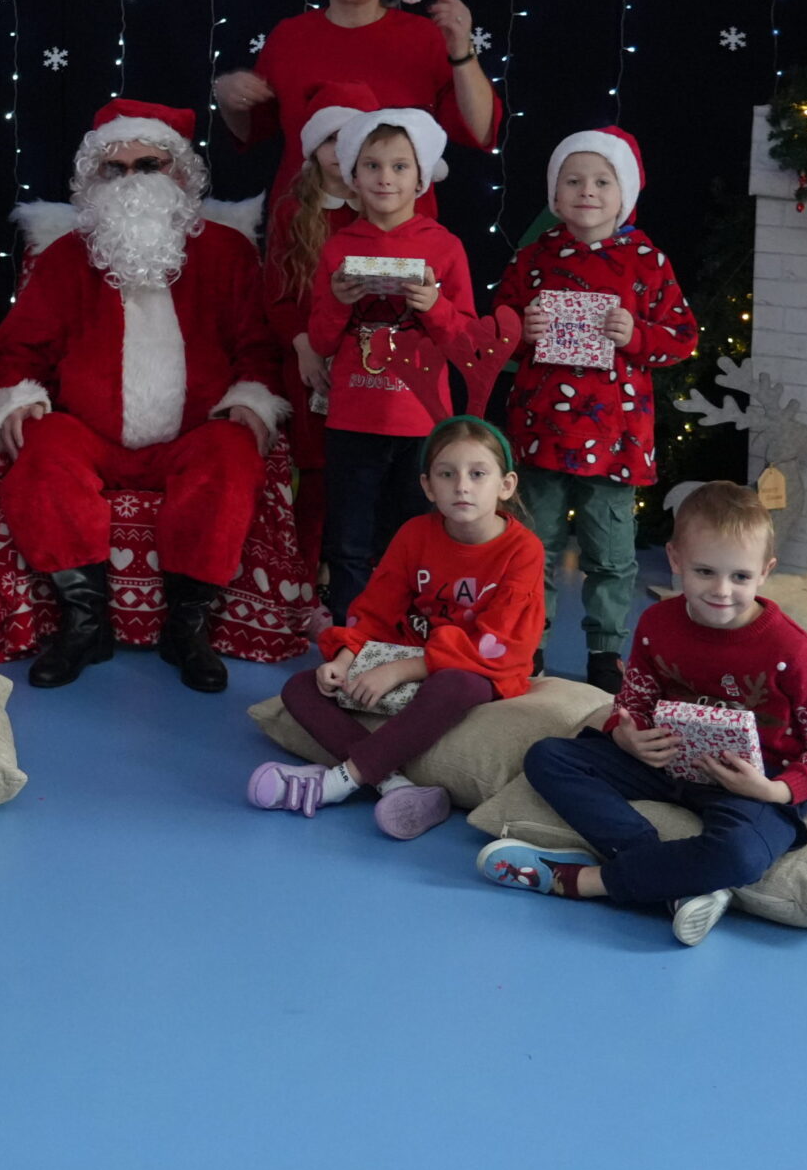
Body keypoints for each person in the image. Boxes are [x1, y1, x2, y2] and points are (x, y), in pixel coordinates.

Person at [0, 99, 287, 693]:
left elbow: (258, 346)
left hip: (196, 432)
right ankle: (84, 624)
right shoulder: (66, 258)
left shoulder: (226, 253)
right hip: (89, 434)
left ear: (180, 174)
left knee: (231, 454)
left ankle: (186, 628)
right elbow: (14, 350)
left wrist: (251, 397)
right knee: (42, 451)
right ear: (93, 180)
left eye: (148, 165)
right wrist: (19, 398)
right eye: (114, 169)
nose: (131, 181)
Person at [479, 481, 807, 948]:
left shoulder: (796, 652)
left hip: (754, 785)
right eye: (704, 572)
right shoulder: (657, 623)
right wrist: (625, 734)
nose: (721, 591)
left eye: (740, 577)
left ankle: (586, 881)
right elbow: (634, 700)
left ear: (765, 572)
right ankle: (670, 876)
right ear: (675, 559)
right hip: (663, 763)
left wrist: (775, 790)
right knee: (548, 757)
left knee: (741, 855)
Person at [247, 417, 545, 840]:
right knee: (301, 686)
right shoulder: (414, 534)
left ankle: (339, 782)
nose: (462, 486)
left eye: (478, 474)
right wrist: (346, 659)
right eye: (447, 474)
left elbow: (501, 644)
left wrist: (400, 670)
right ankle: (396, 785)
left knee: (455, 685)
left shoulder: (523, 550)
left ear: (506, 485)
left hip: (476, 666)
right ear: (428, 486)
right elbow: (376, 610)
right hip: (408, 651)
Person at [494, 127, 699, 689]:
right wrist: (521, 331)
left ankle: (605, 652)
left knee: (610, 555)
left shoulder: (647, 260)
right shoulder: (534, 257)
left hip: (616, 439)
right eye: (573, 180)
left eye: (602, 182)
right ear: (555, 194)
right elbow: (497, 329)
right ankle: (529, 643)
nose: (587, 191)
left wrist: (636, 334)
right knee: (532, 548)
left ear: (623, 194)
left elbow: (682, 338)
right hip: (540, 431)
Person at [214, 0, 497, 212]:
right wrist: (230, 100)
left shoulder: (424, 37)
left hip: (398, 229)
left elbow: (479, 130)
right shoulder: (289, 37)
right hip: (305, 225)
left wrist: (462, 50)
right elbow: (254, 132)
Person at [306, 107, 474, 619]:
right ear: (353, 177)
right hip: (352, 421)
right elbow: (321, 338)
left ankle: (407, 631)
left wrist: (434, 306)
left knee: (416, 538)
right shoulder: (339, 247)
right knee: (349, 541)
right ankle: (351, 636)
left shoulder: (444, 246)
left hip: (420, 423)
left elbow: (467, 345)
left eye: (400, 166)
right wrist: (339, 301)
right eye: (372, 166)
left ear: (421, 177)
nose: (385, 178)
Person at [261, 81, 378, 578]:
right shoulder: (294, 210)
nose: (340, 149)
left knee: (363, 473)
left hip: (371, 363)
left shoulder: (383, 208)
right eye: (331, 138)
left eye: (352, 138)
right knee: (317, 472)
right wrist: (305, 348)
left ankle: (355, 578)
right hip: (310, 361)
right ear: (313, 147)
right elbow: (277, 295)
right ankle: (304, 580)